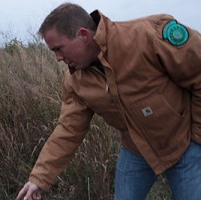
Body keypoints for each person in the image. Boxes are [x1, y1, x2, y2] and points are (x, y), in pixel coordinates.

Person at [16, 2, 201, 200]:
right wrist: (38, 179)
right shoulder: (75, 81)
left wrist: (197, 138)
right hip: (135, 151)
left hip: (183, 143)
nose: (58, 58)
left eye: (59, 49)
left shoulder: (148, 35)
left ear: (83, 35)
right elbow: (68, 130)